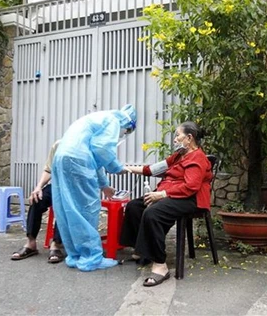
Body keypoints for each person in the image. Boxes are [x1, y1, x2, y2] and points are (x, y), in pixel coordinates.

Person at [120, 121, 213, 287]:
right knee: (135, 206)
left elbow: (191, 187)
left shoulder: (197, 158)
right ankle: (142, 251)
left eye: (178, 135)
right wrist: (126, 168)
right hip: (172, 194)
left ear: (189, 138)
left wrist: (162, 194)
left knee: (153, 213)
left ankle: (160, 265)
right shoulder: (178, 156)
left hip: (191, 199)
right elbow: (152, 170)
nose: (175, 139)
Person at [51, 104, 137, 272]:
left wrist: (104, 185)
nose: (123, 135)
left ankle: (75, 255)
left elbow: (94, 155)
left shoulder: (96, 119)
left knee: (67, 208)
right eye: (126, 132)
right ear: (127, 124)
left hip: (61, 158)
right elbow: (102, 149)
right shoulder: (113, 121)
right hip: (78, 161)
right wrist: (117, 167)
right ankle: (91, 257)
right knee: (87, 209)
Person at [11, 140, 64, 263]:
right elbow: (48, 170)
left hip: (72, 190)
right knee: (37, 199)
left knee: (63, 204)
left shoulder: (83, 147)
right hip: (56, 186)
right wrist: (38, 187)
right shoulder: (58, 145)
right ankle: (31, 243)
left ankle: (56, 244)